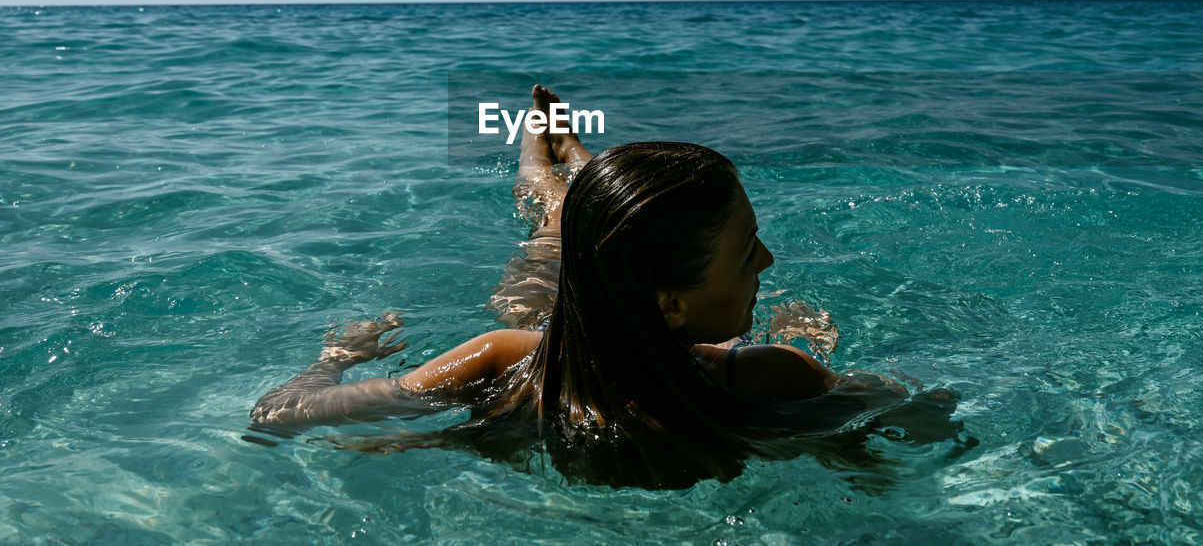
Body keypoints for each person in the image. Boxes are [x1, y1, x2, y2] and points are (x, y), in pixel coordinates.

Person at [250, 85, 961, 487]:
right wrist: (808, 354)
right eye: (748, 251)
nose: (768, 260)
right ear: (673, 303)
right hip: (562, 304)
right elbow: (928, 414)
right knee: (559, 216)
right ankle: (552, 148)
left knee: (559, 222)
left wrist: (339, 359)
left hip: (551, 312)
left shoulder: (509, 361)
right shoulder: (766, 375)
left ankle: (562, 153)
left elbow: (278, 413)